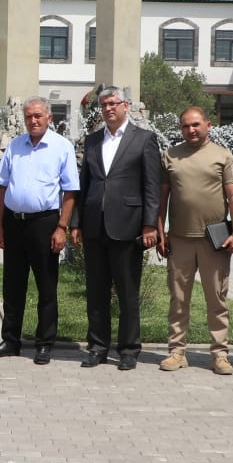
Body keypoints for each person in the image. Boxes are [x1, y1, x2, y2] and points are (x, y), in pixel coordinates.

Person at [69, 86, 160, 371]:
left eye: (113, 103)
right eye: (104, 104)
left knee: (127, 291)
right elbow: (84, 184)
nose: (108, 108)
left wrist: (149, 224)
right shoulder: (93, 140)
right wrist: (76, 223)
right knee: (96, 291)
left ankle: (129, 350)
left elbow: (152, 186)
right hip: (94, 227)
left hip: (128, 226)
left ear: (126, 106)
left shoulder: (143, 139)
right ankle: (97, 347)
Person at [0, 97, 79, 365]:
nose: (33, 120)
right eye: (29, 116)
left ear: (49, 118)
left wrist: (61, 227)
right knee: (12, 285)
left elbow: (70, 191)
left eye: (38, 115)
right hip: (14, 222)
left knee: (46, 286)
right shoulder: (15, 146)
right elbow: (2, 186)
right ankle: (10, 340)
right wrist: (0, 224)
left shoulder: (61, 147)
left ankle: (44, 343)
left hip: (45, 223)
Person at [157, 106, 233, 374]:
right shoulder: (170, 156)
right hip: (179, 239)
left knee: (216, 299)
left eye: (195, 124)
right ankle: (177, 351)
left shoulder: (222, 155)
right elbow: (162, 198)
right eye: (185, 126)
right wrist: (160, 232)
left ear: (208, 125)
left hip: (213, 240)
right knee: (178, 299)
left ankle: (220, 354)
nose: (191, 130)